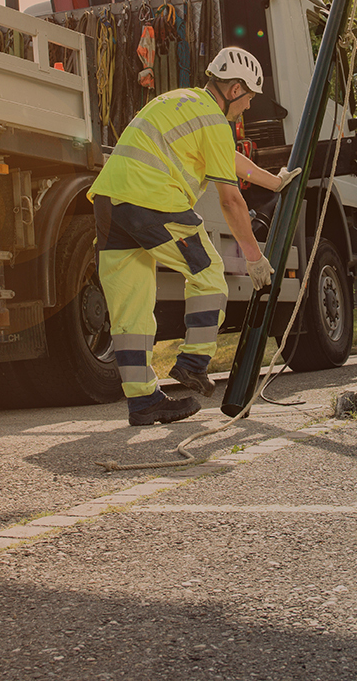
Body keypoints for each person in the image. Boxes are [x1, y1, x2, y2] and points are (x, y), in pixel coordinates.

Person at [89, 47, 277, 424]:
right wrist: (254, 258)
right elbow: (231, 202)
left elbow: (230, 158)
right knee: (208, 276)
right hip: (152, 200)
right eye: (250, 98)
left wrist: (275, 180)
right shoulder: (213, 120)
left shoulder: (180, 100)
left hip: (110, 202)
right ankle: (193, 363)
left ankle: (144, 403)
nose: (249, 107)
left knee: (131, 309)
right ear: (236, 88)